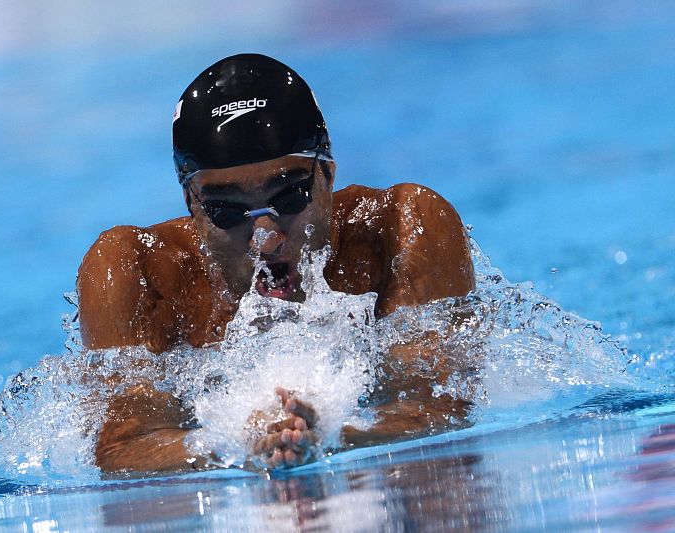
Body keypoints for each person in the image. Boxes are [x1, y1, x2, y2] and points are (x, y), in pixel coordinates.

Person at [77, 54, 475, 474]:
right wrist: (232, 442)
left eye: (289, 198)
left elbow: (440, 405)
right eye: (227, 211)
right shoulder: (134, 269)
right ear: (192, 203)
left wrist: (336, 433)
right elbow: (124, 449)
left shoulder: (401, 229)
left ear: (327, 174)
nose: (265, 238)